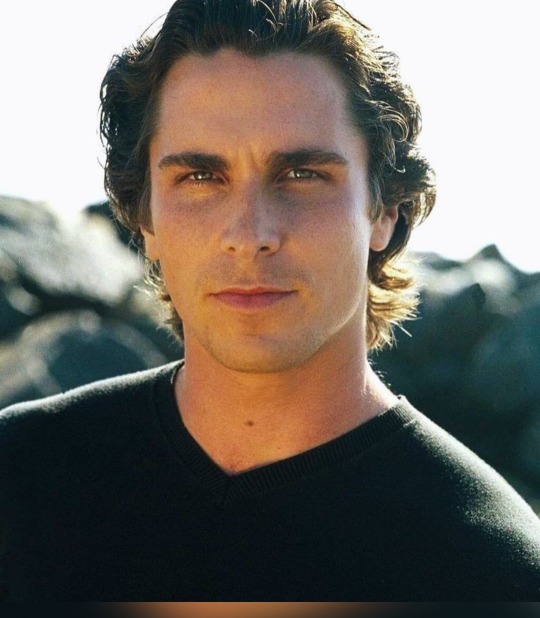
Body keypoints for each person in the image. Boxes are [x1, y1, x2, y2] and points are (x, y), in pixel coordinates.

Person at [0, 0, 539, 603]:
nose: (250, 233)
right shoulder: (18, 480)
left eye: (302, 174)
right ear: (144, 216)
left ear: (385, 208)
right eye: (200, 177)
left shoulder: (495, 571)